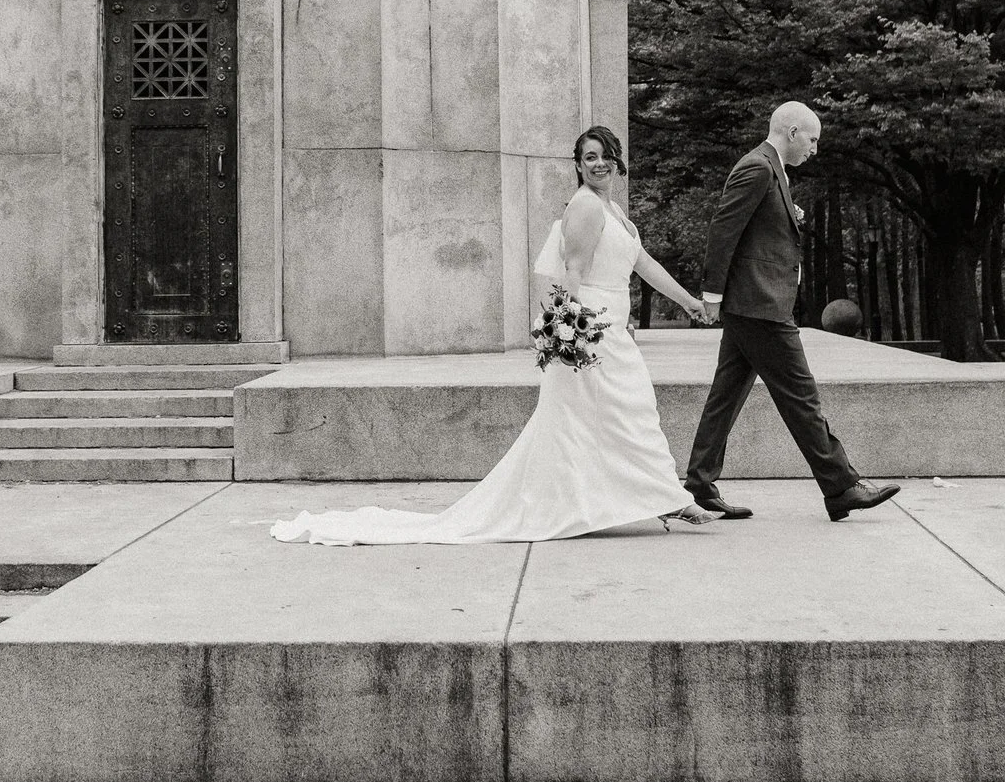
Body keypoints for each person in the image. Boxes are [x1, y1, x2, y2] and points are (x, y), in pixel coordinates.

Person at [271, 126, 717, 546]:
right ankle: (667, 499)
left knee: (620, 416)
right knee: (618, 417)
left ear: (619, 163)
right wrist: (571, 330)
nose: (598, 164)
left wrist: (685, 301)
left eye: (605, 157)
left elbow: (643, 265)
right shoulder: (584, 206)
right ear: (578, 166)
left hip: (612, 331)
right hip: (593, 333)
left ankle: (655, 497)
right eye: (589, 158)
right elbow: (573, 271)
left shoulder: (612, 210)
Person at [683, 101, 899, 523]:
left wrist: (788, 216)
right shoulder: (759, 167)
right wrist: (711, 292)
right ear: (793, 131)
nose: (815, 150)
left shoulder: (771, 170)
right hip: (759, 306)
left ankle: (699, 483)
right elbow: (723, 229)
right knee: (802, 398)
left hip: (756, 304)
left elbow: (756, 228)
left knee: (724, 398)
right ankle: (841, 486)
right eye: (813, 139)